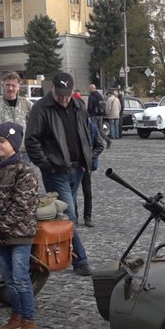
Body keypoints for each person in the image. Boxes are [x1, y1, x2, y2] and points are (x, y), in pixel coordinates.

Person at [25, 71, 103, 276]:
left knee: (64, 214)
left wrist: (88, 159)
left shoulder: (79, 105)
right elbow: (31, 140)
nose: (64, 98)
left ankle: (58, 249)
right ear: (52, 89)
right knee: (69, 214)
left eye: (67, 94)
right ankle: (81, 260)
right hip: (56, 170)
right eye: (60, 94)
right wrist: (47, 165)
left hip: (77, 169)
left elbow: (86, 133)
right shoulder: (41, 108)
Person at [0, 122, 40, 329]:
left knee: (21, 278)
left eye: (2, 141)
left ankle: (30, 322)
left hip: (19, 234)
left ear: (13, 144)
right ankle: (16, 316)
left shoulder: (25, 172)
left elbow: (21, 206)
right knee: (8, 279)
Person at [0, 71, 34, 166]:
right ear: (3, 85)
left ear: (18, 87)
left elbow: (35, 128)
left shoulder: (27, 105)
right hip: (2, 153)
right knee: (5, 179)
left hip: (23, 153)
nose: (10, 88)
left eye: (13, 85)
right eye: (7, 85)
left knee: (24, 178)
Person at [87, 83, 112, 149]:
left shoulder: (91, 96)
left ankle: (95, 143)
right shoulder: (100, 96)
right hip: (100, 115)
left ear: (91, 89)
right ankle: (107, 140)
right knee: (100, 129)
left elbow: (90, 107)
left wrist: (88, 113)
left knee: (93, 129)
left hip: (93, 115)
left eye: (89, 88)